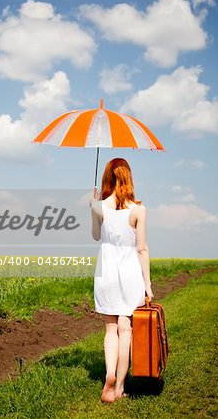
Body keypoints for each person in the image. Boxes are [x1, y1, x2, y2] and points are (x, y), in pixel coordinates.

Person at [89, 158, 154, 403]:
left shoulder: (98, 207)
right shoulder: (139, 210)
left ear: (107, 178)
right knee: (126, 328)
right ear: (128, 177)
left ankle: (109, 375)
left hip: (105, 271)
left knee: (110, 329)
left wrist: (93, 206)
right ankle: (120, 388)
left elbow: (96, 236)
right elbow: (141, 250)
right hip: (129, 272)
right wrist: (147, 284)